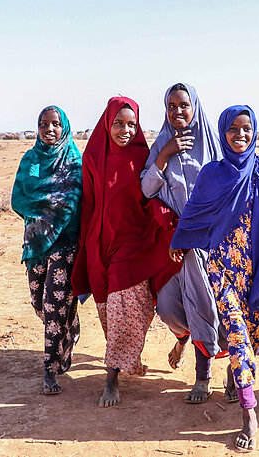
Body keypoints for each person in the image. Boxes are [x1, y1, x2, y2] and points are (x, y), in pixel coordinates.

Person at [171, 105, 259, 452]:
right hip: (222, 269)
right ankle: (249, 412)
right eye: (233, 129)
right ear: (222, 132)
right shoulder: (211, 173)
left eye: (247, 129)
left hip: (257, 271)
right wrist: (180, 240)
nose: (241, 135)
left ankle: (235, 379)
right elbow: (195, 212)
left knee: (251, 335)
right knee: (236, 335)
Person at [71, 96, 181, 407]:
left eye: (131, 124)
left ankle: (111, 378)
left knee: (128, 310)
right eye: (119, 123)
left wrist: (169, 225)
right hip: (101, 244)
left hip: (136, 244)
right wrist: (88, 246)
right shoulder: (92, 156)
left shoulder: (143, 155)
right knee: (111, 312)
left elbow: (152, 195)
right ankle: (128, 360)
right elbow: (89, 204)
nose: (125, 130)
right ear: (107, 123)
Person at [140, 83, 233, 404]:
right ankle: (183, 339)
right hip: (172, 246)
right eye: (171, 106)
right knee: (168, 308)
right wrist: (164, 155)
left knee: (213, 308)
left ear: (194, 107)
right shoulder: (161, 144)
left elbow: (228, 193)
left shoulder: (213, 146)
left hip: (210, 245)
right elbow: (147, 190)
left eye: (183, 105)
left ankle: (212, 375)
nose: (177, 112)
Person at [11, 105, 82, 395]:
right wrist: (48, 209)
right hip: (36, 243)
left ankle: (49, 369)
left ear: (63, 126)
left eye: (54, 124)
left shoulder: (75, 161)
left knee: (54, 307)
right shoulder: (30, 159)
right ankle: (71, 325)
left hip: (66, 242)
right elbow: (18, 199)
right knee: (40, 304)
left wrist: (45, 208)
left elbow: (73, 201)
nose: (49, 129)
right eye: (43, 124)